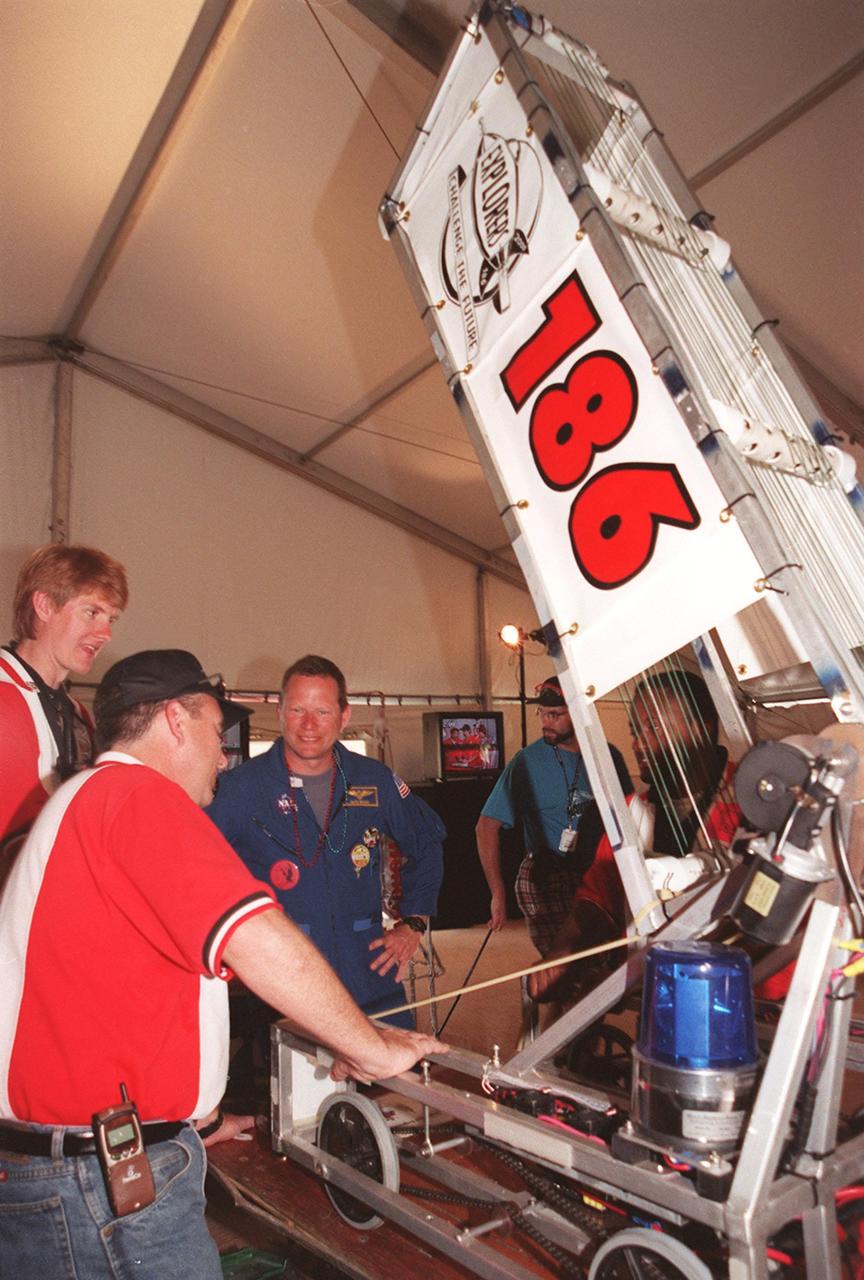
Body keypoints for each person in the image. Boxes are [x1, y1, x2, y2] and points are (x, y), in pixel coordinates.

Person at [0, 648, 445, 1280]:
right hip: (96, 1183)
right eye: (216, 732)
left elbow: (115, 991)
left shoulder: (90, 799)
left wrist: (193, 1116)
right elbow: (259, 939)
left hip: (87, 1157)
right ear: (176, 722)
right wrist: (369, 1046)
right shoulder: (139, 799)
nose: (224, 752)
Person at [207, 654, 445, 1027]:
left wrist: (412, 924)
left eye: (322, 711)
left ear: (344, 716)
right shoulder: (240, 790)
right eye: (298, 710)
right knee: (301, 1078)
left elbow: (426, 843)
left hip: (368, 963)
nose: (308, 725)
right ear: (280, 712)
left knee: (393, 1076)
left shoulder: (374, 780)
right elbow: (196, 870)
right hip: (283, 972)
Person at [528, 668, 739, 1001]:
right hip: (664, 996)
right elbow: (597, 898)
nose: (638, 744)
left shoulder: (750, 802)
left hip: (759, 1002)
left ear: (702, 727)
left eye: (653, 729)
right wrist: (564, 951)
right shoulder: (632, 811)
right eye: (635, 731)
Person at [476, 675, 633, 957]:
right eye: (542, 713)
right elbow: (486, 826)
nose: (545, 721)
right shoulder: (526, 762)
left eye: (555, 714)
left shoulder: (608, 757)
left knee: (608, 962)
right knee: (562, 967)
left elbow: (632, 817)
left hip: (598, 872)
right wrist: (497, 893)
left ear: (578, 714)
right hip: (545, 877)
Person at [0, 543, 128, 866]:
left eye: (112, 618)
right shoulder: (6, 696)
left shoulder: (77, 714)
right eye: (92, 612)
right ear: (44, 605)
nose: (106, 633)